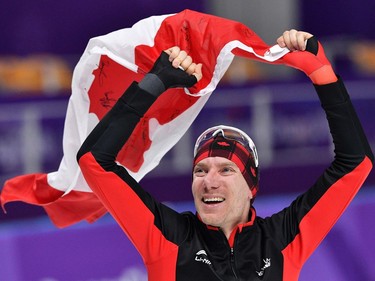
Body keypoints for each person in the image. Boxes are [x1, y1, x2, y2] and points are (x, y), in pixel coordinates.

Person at [76, 30, 373, 281]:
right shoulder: (169, 236)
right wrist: (154, 83)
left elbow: (356, 162)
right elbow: (94, 160)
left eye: (227, 170)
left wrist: (322, 74)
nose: (210, 181)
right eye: (201, 170)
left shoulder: (281, 240)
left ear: (251, 187)